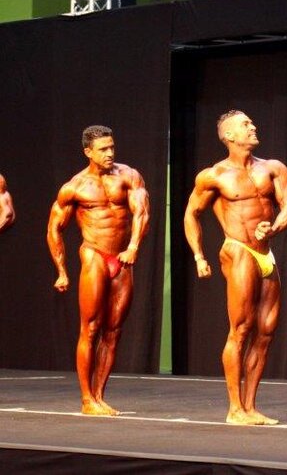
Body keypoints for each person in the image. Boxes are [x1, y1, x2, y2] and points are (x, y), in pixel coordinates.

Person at [184, 110, 287, 426]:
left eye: (252, 122)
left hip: (265, 253)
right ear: (229, 136)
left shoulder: (273, 168)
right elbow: (191, 214)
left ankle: (250, 406)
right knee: (242, 328)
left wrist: (274, 227)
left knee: (266, 332)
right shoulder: (214, 176)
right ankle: (235, 408)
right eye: (246, 124)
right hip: (238, 249)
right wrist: (198, 256)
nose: (253, 126)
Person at [47, 125, 150, 416]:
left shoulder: (129, 176)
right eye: (103, 149)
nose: (110, 153)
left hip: (123, 258)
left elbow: (142, 212)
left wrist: (133, 246)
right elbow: (54, 228)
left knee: (114, 331)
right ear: (88, 152)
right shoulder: (75, 187)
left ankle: (99, 396)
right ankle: (86, 399)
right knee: (91, 328)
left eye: (112, 147)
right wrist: (61, 270)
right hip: (94, 254)